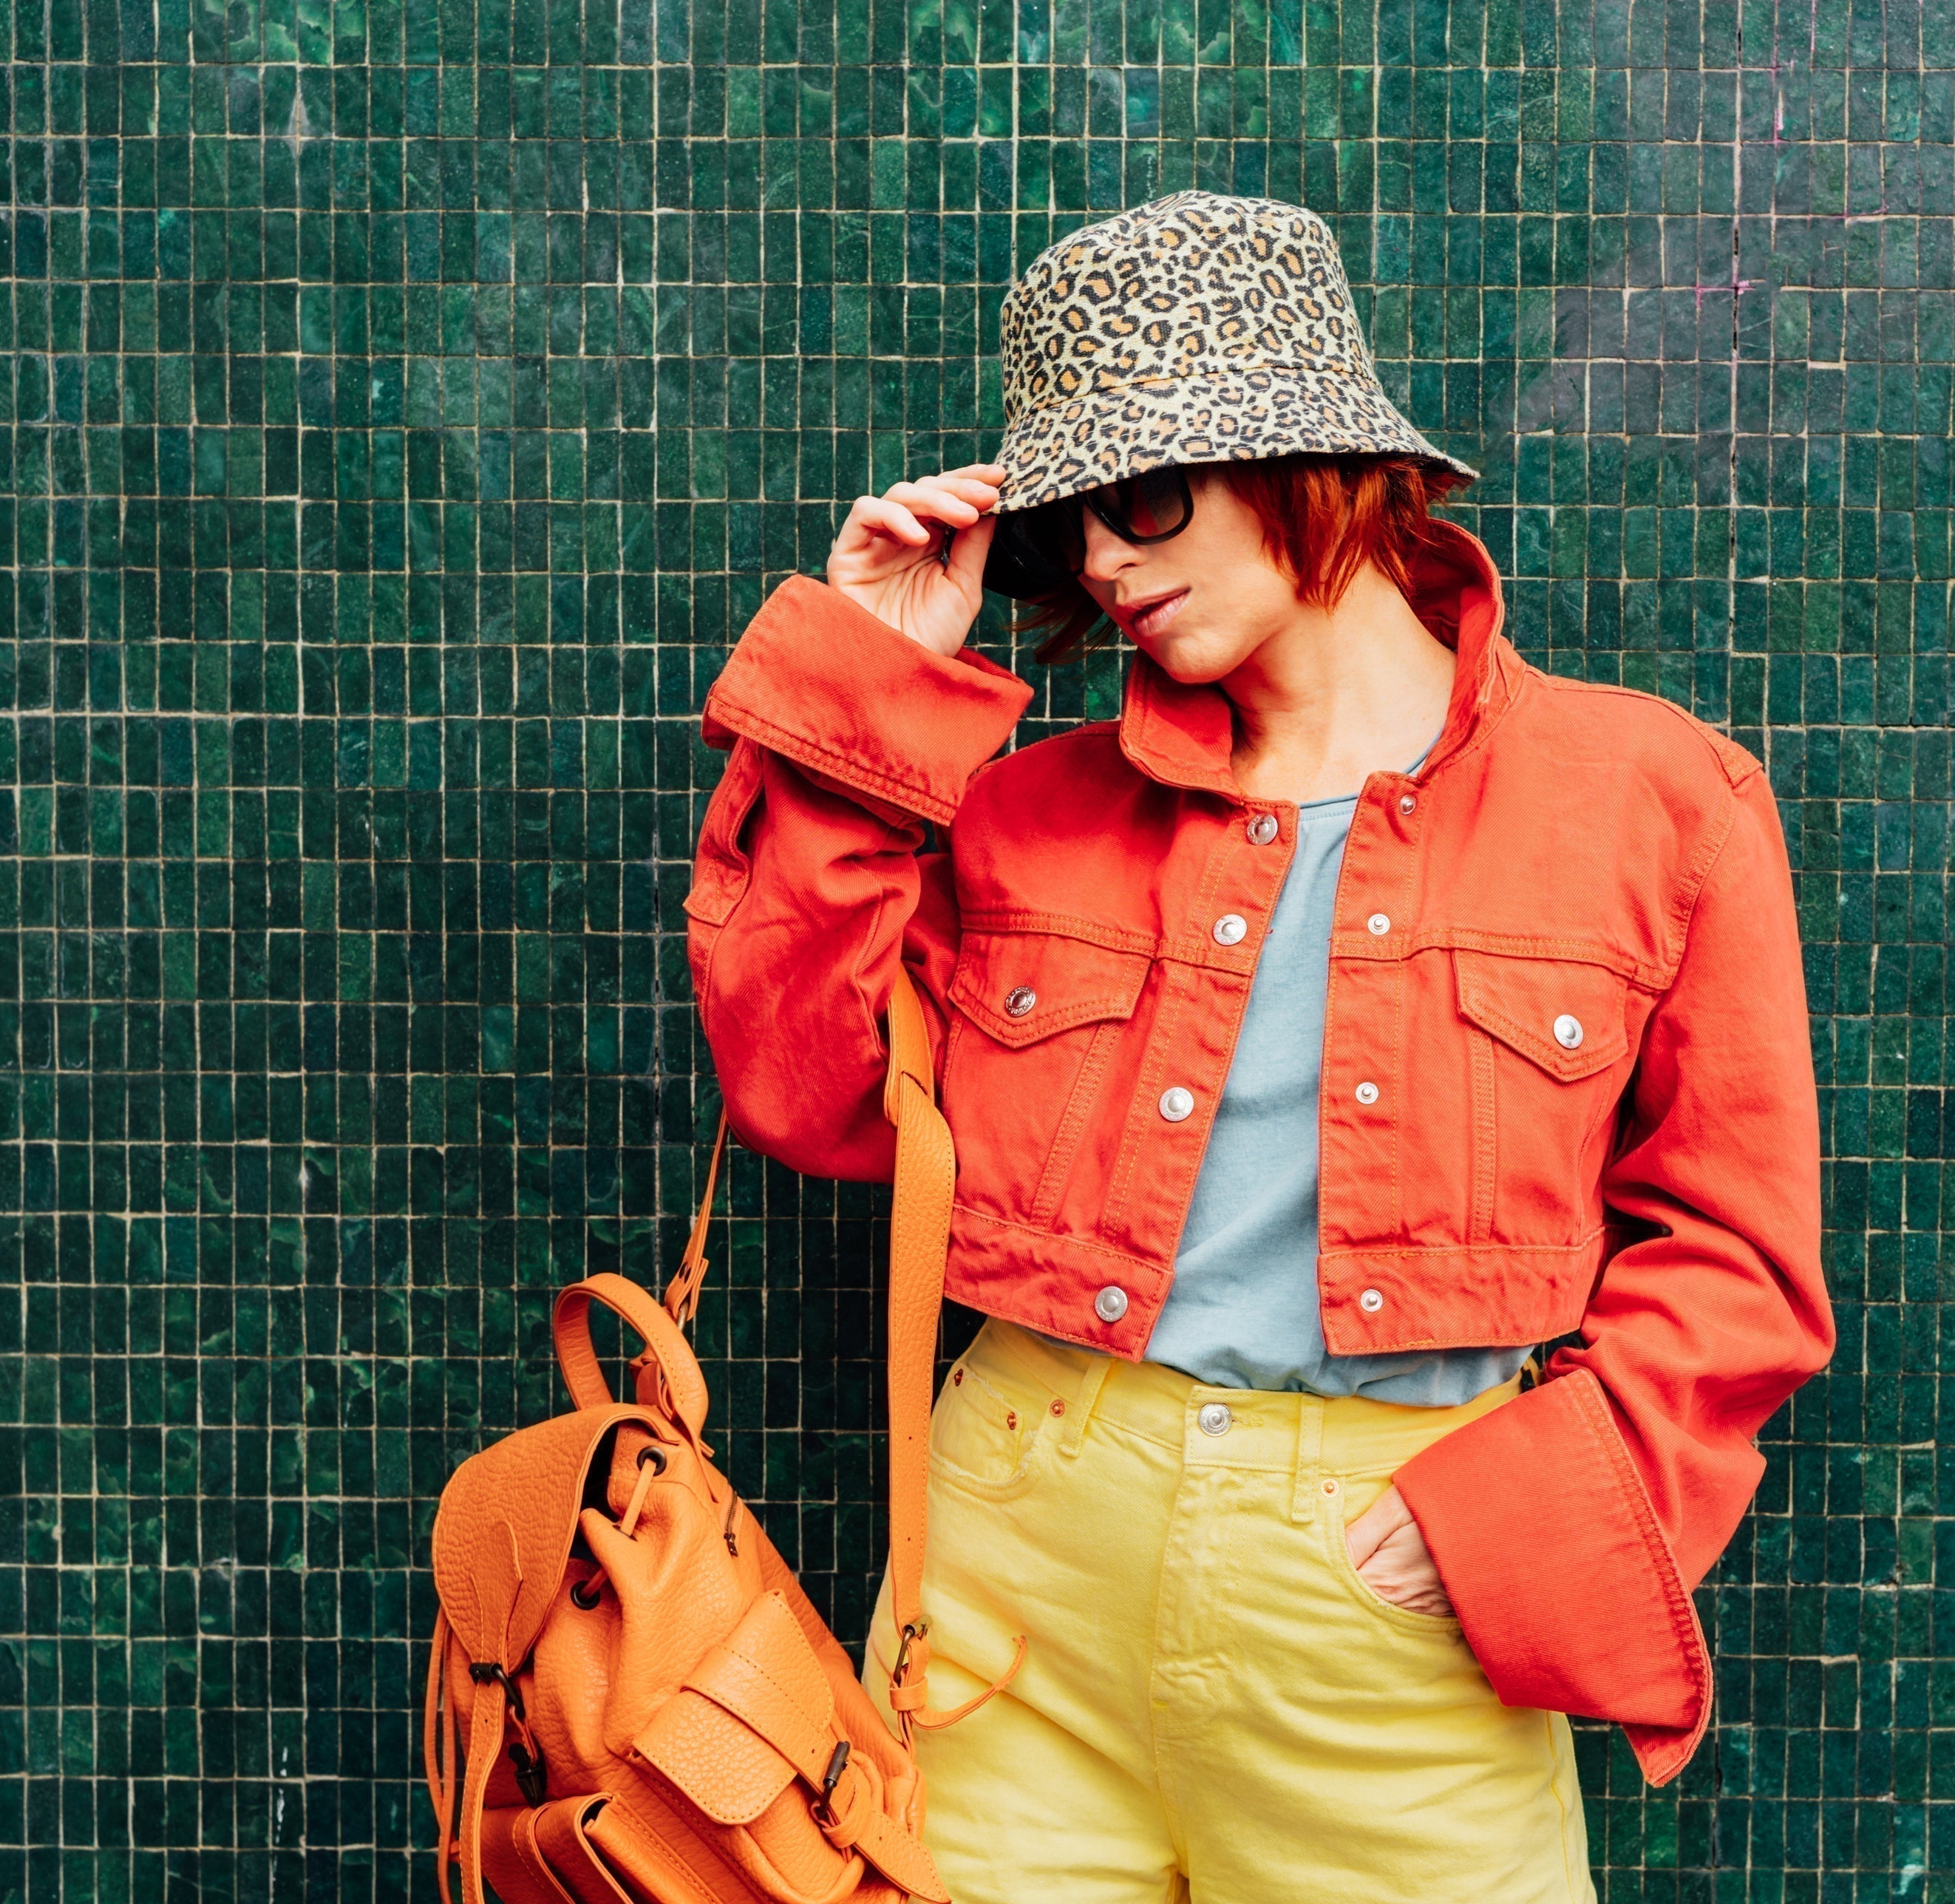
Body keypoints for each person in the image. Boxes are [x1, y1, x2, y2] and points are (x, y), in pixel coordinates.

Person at [684, 191, 1832, 1904]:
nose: (1104, 563)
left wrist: (1516, 1520)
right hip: (1014, 1566)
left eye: (1148, 498)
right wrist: (874, 683)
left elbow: (1739, 1259)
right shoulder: (1030, 813)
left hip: (1388, 1593)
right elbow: (806, 1088)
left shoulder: (1656, 801)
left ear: (1314, 466)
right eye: (1075, 520)